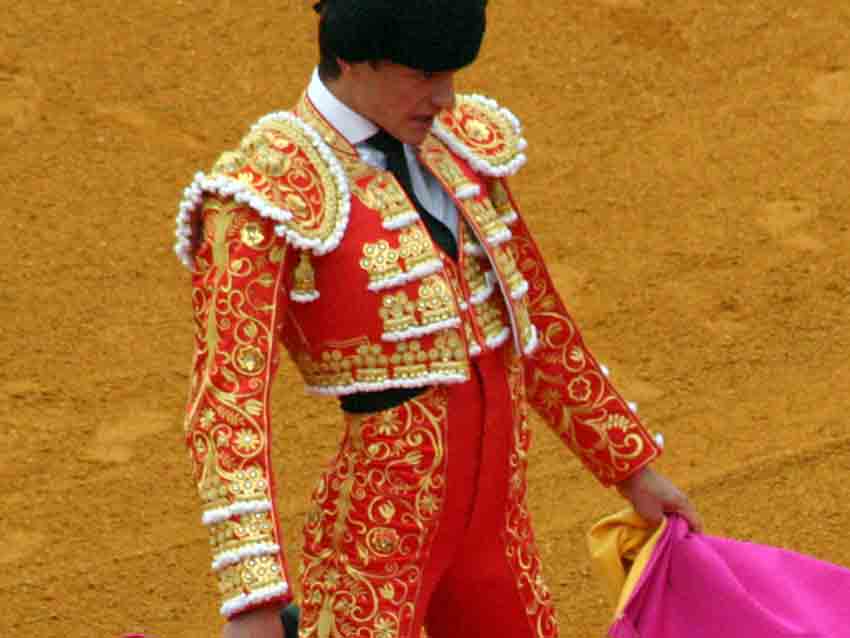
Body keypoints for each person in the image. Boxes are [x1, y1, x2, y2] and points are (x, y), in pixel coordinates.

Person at [173, 2, 701, 637]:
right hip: (379, 540)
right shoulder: (265, 189)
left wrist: (633, 470)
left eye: (449, 73)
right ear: (350, 57)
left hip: (498, 536)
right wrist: (253, 599)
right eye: (422, 74)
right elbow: (227, 403)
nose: (445, 97)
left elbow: (536, 326)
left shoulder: (457, 150)